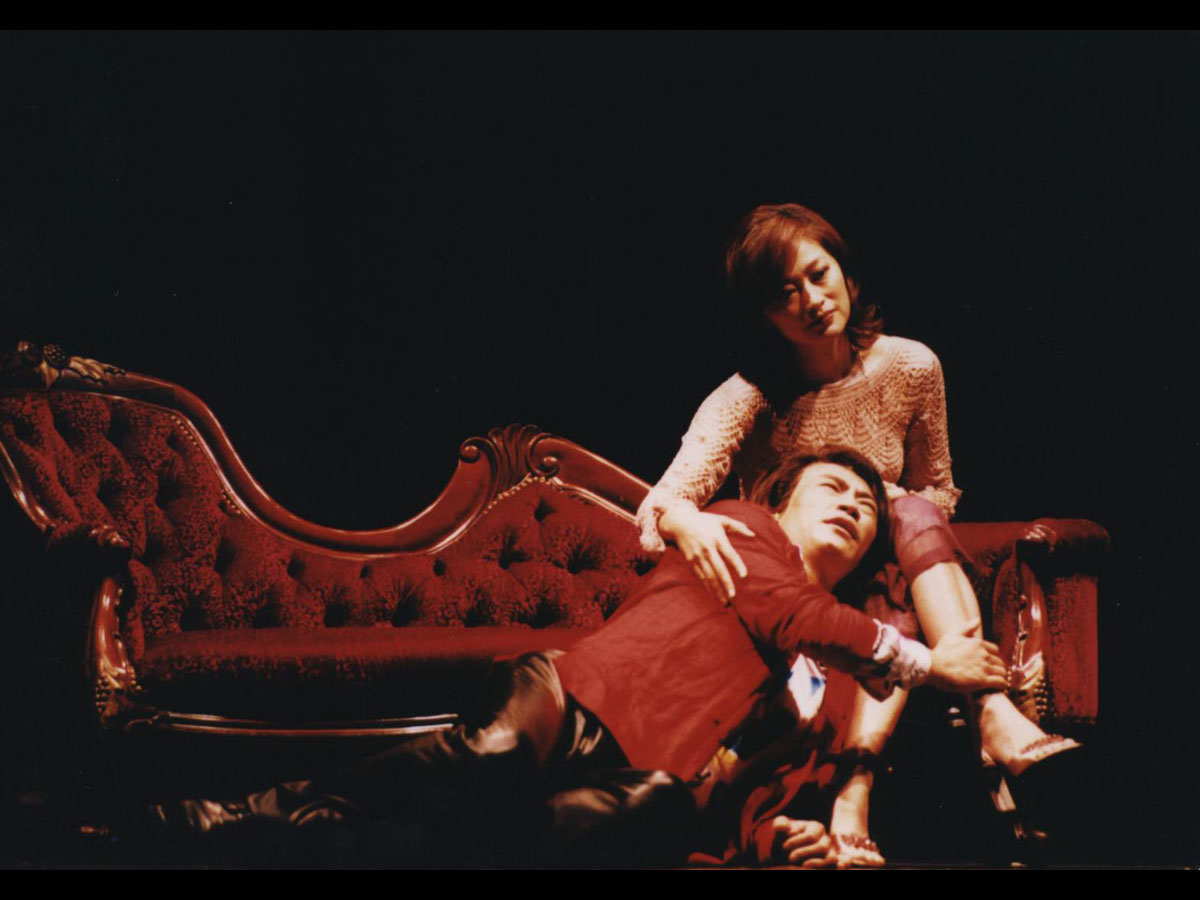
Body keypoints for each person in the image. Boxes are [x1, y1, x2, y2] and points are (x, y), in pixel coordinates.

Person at [147, 448, 1007, 868]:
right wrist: (932, 663)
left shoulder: (826, 686)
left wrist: (779, 840)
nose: (851, 504)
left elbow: (747, 790)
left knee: (624, 815)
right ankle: (260, 810)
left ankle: (273, 839)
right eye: (832, 488)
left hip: (641, 776)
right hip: (571, 698)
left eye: (867, 505)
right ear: (782, 502)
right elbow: (792, 613)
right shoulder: (740, 531)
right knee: (495, 755)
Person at [636, 203, 1078, 863]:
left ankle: (877, 778)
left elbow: (940, 491)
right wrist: (685, 518)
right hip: (791, 593)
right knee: (902, 526)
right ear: (764, 315)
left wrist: (890, 503)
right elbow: (657, 509)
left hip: (886, 571)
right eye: (784, 294)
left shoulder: (911, 367)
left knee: (909, 519)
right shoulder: (748, 396)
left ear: (844, 270)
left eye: (818, 275)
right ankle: (984, 715)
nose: (812, 301)